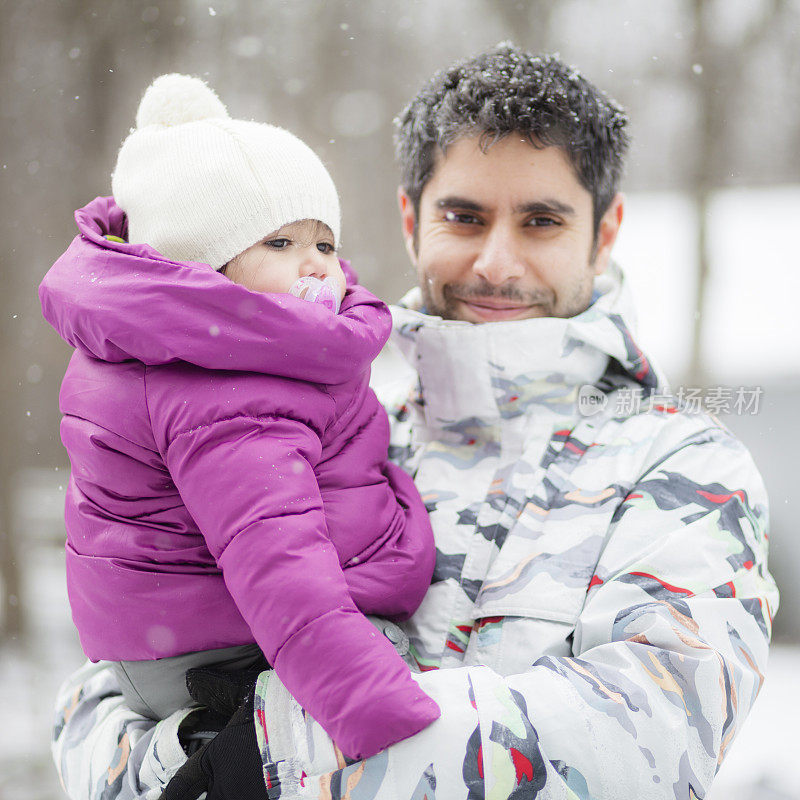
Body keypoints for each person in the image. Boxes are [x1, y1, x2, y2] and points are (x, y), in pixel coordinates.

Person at [48, 46, 778, 800]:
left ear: (605, 230)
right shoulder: (340, 423)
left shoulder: (681, 467)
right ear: (410, 217)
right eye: (465, 216)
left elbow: (644, 737)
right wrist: (191, 758)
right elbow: (95, 700)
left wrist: (276, 751)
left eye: (541, 221)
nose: (497, 261)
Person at [39, 72, 441, 765]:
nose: (315, 265)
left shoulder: (178, 349)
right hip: (226, 652)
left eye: (322, 242)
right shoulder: (230, 388)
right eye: (279, 245)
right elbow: (277, 558)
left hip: (174, 637)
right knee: (403, 656)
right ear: (204, 268)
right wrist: (377, 711)